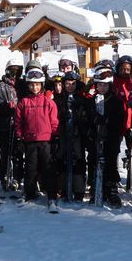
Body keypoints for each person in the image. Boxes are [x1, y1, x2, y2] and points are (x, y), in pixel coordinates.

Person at [15, 68, 59, 212]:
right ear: (28, 85)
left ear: (42, 85)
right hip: (30, 140)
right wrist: (19, 136)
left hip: (46, 141)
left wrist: (55, 136)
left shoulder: (48, 102)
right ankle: (29, 193)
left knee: (48, 168)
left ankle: (51, 195)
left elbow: (54, 121)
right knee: (30, 169)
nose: (35, 87)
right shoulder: (23, 103)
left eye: (38, 84)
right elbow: (18, 122)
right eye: (32, 85)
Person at [88, 61, 123, 208]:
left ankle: (111, 189)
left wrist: (107, 122)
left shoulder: (115, 101)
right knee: (94, 161)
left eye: (105, 85)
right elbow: (87, 118)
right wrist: (92, 123)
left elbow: (119, 119)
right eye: (99, 85)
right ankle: (95, 187)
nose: (102, 87)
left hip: (110, 138)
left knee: (110, 163)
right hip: (96, 137)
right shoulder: (92, 100)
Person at [57, 71, 89, 202]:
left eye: (73, 84)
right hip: (63, 133)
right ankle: (63, 189)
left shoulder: (81, 99)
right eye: (68, 83)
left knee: (79, 161)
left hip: (77, 134)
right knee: (61, 159)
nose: (70, 86)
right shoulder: (59, 99)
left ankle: (79, 190)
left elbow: (86, 117)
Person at [0, 61, 24, 190]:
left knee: (17, 152)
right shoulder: (0, 85)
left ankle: (17, 177)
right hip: (5, 124)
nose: (14, 73)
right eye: (12, 70)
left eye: (17, 71)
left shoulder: (22, 84)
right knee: (5, 153)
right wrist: (6, 106)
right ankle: (4, 176)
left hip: (19, 124)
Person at [114, 55, 132, 167]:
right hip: (117, 118)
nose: (125, 72)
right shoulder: (113, 81)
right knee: (114, 147)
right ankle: (114, 171)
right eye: (122, 69)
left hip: (131, 118)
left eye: (128, 69)